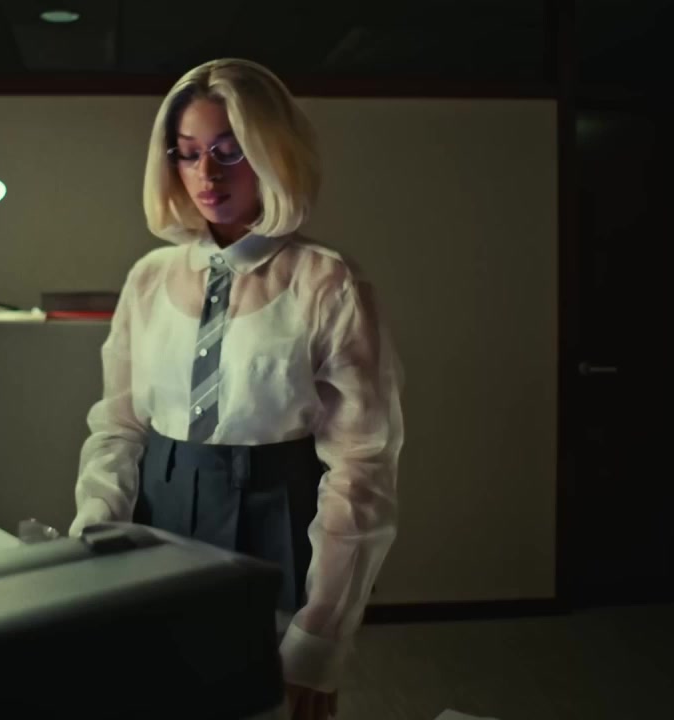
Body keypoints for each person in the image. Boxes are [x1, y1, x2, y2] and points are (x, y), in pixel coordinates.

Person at [69, 58, 404, 720]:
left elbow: (362, 466)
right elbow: (119, 426)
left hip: (276, 530)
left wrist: (321, 636)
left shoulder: (327, 282)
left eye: (229, 151)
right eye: (189, 153)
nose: (207, 175)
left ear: (272, 152)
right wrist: (93, 539)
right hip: (156, 527)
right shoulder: (149, 278)